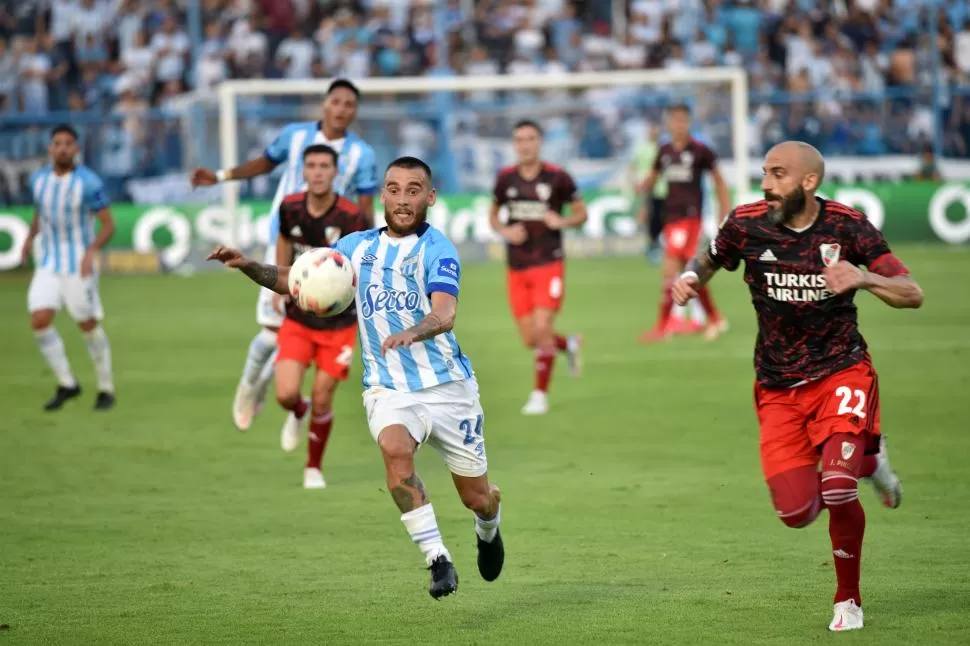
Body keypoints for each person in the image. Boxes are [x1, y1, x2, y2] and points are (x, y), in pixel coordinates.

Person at [207, 156, 504, 599]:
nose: (403, 199)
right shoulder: (354, 247)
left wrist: (413, 331)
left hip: (449, 390)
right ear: (382, 194)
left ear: (430, 197)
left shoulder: (438, 249)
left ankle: (488, 528)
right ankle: (437, 559)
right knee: (394, 449)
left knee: (477, 496)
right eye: (394, 189)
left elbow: (445, 312)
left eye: (413, 189)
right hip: (387, 388)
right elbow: (296, 278)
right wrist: (248, 265)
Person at [671, 141, 922, 632]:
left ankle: (847, 601)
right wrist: (690, 278)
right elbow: (710, 256)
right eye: (765, 172)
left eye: (778, 174)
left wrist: (864, 278)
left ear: (809, 182)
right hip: (777, 385)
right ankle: (872, 459)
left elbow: (912, 292)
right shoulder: (746, 222)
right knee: (795, 512)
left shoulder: (847, 226)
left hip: (841, 370)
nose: (766, 183)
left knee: (835, 485)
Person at [190, 79, 379, 434]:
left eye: (349, 105)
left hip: (329, 259)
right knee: (271, 330)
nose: (341, 109)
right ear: (325, 104)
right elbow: (264, 163)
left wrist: (368, 255)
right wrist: (219, 176)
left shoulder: (362, 154)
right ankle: (251, 386)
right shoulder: (294, 136)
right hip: (285, 245)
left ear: (355, 112)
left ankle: (295, 406)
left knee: (307, 330)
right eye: (336, 102)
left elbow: (366, 209)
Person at [273, 144, 369, 489]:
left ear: (334, 172)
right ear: (303, 171)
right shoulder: (290, 207)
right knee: (285, 394)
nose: (317, 171)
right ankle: (299, 410)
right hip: (298, 319)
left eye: (324, 166)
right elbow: (284, 240)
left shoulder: (350, 216)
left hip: (339, 324)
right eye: (311, 165)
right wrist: (279, 284)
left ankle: (313, 467)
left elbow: (363, 263)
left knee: (324, 394)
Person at [489, 120, 586, 416]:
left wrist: (564, 221)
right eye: (519, 140)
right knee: (531, 338)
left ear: (540, 142)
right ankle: (567, 344)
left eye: (530, 139)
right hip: (517, 265)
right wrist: (504, 231)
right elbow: (493, 216)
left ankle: (539, 395)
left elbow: (582, 213)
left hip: (549, 262)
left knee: (542, 327)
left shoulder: (558, 178)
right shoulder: (505, 179)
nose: (525, 144)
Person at [20, 124, 117, 411]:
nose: (62, 148)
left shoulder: (88, 182)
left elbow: (108, 223)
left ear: (76, 149)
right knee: (39, 320)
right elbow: (40, 212)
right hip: (48, 263)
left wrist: (91, 252)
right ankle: (67, 383)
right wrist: (29, 239)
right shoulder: (38, 180)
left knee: (86, 325)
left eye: (68, 144)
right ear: (50, 148)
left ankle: (106, 387)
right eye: (57, 143)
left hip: (78, 265)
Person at [638, 104, 730, 342]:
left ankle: (662, 327)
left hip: (690, 217)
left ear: (689, 123)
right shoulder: (665, 151)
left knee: (672, 269)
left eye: (683, 120)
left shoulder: (700, 151)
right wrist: (642, 189)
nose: (678, 125)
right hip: (671, 217)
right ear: (668, 124)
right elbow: (654, 175)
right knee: (690, 271)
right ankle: (715, 318)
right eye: (674, 120)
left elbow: (719, 180)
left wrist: (723, 209)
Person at [631, 122, 666, 264]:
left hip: (664, 189)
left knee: (663, 218)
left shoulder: (663, 148)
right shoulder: (642, 149)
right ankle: (653, 245)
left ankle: (661, 244)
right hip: (649, 188)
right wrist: (636, 183)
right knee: (651, 218)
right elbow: (634, 167)